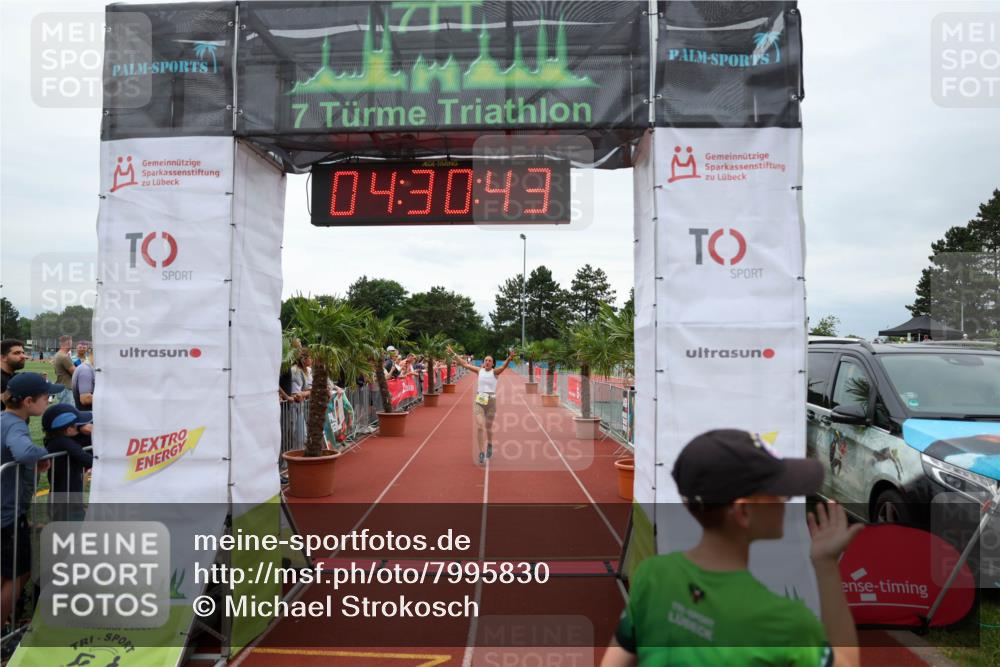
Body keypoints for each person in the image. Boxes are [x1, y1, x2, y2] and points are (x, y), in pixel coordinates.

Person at [601, 429, 862, 667]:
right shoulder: (784, 620)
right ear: (744, 511)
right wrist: (826, 565)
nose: (786, 499)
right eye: (777, 491)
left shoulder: (652, 576)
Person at [1, 373, 62, 625]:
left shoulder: (4, 419)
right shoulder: (15, 424)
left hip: (6, 510)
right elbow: (24, 451)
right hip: (6, 513)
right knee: (20, 572)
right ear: (28, 401)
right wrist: (43, 454)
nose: (49, 400)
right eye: (46, 397)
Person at [448, 346, 515, 465]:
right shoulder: (479, 371)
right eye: (486, 360)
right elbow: (464, 364)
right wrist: (453, 353)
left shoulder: (495, 372)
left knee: (488, 427)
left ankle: (489, 444)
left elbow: (504, 366)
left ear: (493, 363)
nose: (487, 362)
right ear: (483, 362)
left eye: (490, 360)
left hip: (491, 402)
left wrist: (509, 358)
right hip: (479, 401)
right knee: (480, 426)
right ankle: (481, 452)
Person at [42, 404, 94, 522]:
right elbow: (85, 458)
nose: (80, 426)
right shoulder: (62, 442)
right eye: (77, 425)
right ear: (69, 429)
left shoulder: (55, 440)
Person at [1, 339, 27, 412]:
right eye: (17, 353)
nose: (23, 356)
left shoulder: (16, 377)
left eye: (23, 353)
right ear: (3, 358)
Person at [52, 335, 76, 404]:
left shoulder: (58, 354)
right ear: (68, 343)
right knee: (68, 412)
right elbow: (75, 372)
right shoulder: (64, 357)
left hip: (62, 387)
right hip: (66, 389)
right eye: (71, 342)